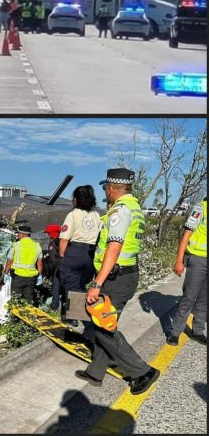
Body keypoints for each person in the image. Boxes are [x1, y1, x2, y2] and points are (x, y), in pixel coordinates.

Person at [78, 168, 160, 395]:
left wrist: (96, 284)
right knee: (103, 324)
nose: (105, 193)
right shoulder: (135, 207)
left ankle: (142, 371)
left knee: (105, 329)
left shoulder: (120, 211)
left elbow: (114, 247)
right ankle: (96, 371)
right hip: (123, 274)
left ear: (112, 188)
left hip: (116, 276)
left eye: (106, 188)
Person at [59, 185, 104, 326]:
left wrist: (62, 257)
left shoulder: (73, 214)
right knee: (81, 284)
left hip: (75, 251)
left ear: (77, 199)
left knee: (71, 284)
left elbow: (64, 239)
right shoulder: (96, 215)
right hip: (90, 253)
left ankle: (72, 319)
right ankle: (81, 314)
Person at [166, 197, 207, 346]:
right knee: (189, 297)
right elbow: (186, 235)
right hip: (198, 260)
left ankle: (197, 331)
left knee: (204, 299)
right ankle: (175, 332)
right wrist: (179, 260)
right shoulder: (201, 208)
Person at [5, 225, 43, 305]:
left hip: (18, 276)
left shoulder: (16, 245)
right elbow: (39, 263)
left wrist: (6, 274)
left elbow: (9, 262)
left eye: (18, 233)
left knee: (16, 299)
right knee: (28, 299)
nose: (17, 235)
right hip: (31, 278)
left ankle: (15, 317)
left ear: (22, 234)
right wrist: (39, 275)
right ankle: (27, 315)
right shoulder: (37, 246)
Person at [45, 224, 63, 311]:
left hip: (58, 268)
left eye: (48, 233)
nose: (48, 235)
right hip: (66, 268)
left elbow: (53, 259)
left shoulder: (54, 243)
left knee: (56, 287)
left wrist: (50, 270)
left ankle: (54, 305)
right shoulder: (64, 241)